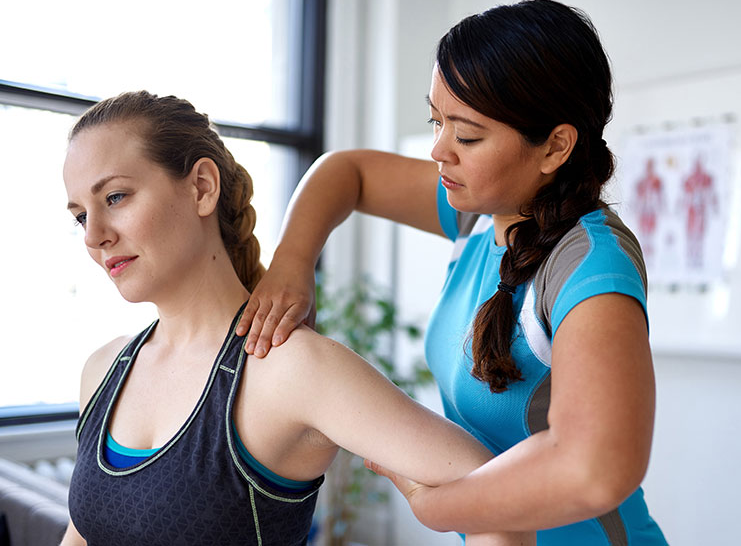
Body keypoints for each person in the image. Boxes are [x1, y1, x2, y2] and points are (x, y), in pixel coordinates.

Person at [238, 0, 668, 544]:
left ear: (555, 146)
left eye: (466, 135)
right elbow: (346, 172)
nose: (440, 150)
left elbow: (599, 467)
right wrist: (291, 266)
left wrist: (436, 509)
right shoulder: (479, 214)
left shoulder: (589, 264)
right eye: (435, 120)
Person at [58, 91, 532, 546]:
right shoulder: (102, 371)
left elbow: (500, 501)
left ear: (202, 188)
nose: (94, 235)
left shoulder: (289, 368)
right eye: (80, 216)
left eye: (116, 198)